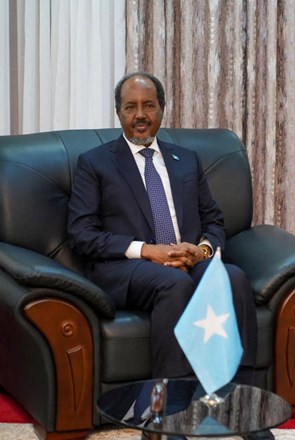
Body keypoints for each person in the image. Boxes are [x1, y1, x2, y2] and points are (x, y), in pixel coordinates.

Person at [68, 72, 257, 384]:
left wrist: (201, 251)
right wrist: (146, 251)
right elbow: (81, 234)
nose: (140, 115)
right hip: (126, 267)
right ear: (118, 112)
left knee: (232, 277)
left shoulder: (187, 160)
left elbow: (213, 220)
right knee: (174, 283)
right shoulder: (94, 163)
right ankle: (169, 402)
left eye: (149, 105)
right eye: (130, 107)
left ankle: (241, 394)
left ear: (162, 109)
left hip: (187, 260)